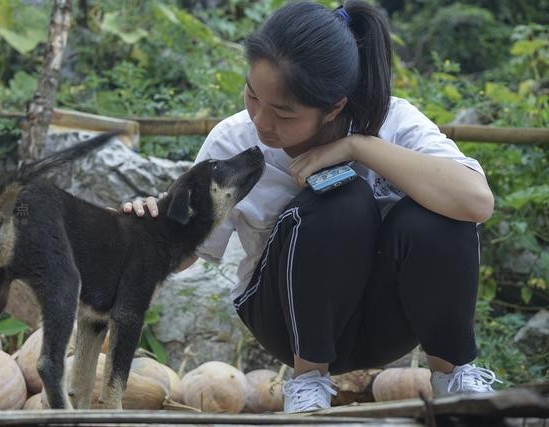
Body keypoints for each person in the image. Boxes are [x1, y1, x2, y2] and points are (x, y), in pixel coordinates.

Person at [118, 0, 502, 413]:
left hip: (387, 319)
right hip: (284, 319)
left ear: (335, 106)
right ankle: (308, 385)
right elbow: (188, 249)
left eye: (284, 113)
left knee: (438, 214)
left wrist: (359, 147)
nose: (262, 122)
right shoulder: (233, 143)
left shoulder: (394, 123)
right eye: (251, 95)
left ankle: (453, 378)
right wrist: (140, 231)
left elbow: (476, 201)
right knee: (341, 199)